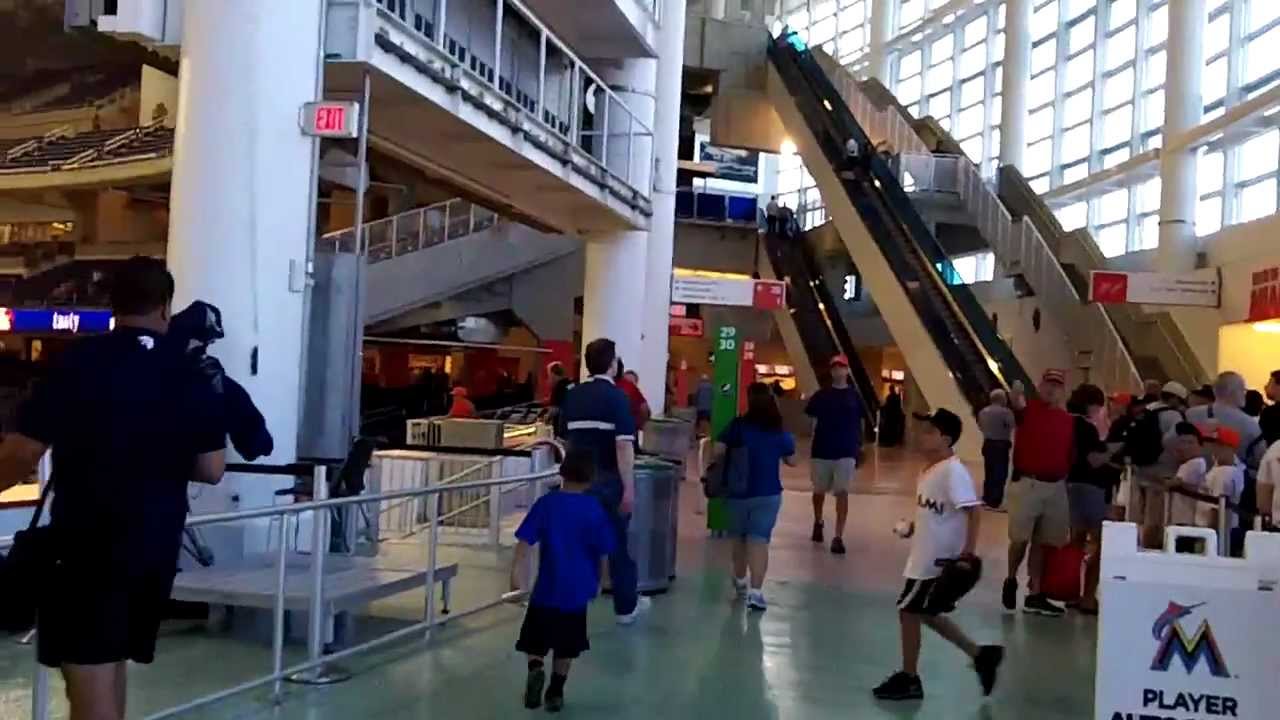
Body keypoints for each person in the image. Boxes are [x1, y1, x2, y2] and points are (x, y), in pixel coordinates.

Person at [0, 257, 227, 720]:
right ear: (165, 307)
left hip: (87, 547)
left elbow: (23, 452)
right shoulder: (191, 371)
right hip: (157, 548)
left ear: (111, 304)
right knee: (113, 661)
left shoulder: (78, 361)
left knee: (89, 671)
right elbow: (211, 468)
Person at [872, 408, 1003, 701]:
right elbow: (940, 512)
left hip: (934, 560)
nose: (922, 436)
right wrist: (914, 527)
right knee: (924, 612)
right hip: (924, 554)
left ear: (946, 439)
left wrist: (967, 554)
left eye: (929, 432)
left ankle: (910, 678)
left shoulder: (952, 472)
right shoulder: (931, 470)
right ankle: (980, 655)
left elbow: (973, 510)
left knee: (908, 611)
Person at [510, 450, 615, 713]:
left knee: (535, 639)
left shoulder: (547, 504)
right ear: (590, 478)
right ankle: (555, 691)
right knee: (567, 645)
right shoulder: (595, 509)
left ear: (562, 472)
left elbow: (524, 543)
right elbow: (603, 551)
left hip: (547, 588)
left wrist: (516, 575)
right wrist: (603, 580)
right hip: (577, 592)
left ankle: (536, 668)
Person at [558, 338, 649, 625]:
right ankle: (626, 607)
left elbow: (565, 440)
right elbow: (623, 445)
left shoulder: (573, 396)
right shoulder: (617, 398)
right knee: (617, 545)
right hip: (608, 481)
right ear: (612, 364)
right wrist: (629, 488)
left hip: (577, 482)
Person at [716, 382, 797, 611]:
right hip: (768, 493)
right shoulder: (778, 431)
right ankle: (756, 592)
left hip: (737, 492)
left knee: (739, 539)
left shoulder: (737, 427)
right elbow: (792, 460)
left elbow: (718, 450)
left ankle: (740, 580)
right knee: (759, 540)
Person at [1004, 370, 1073, 617]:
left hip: (1055, 486)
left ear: (1062, 391)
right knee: (1020, 539)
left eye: (1057, 386)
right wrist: (1016, 392)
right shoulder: (1028, 410)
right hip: (1028, 483)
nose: (1051, 389)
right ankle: (1011, 577)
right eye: (1048, 384)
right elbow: (1016, 404)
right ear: (1040, 386)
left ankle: (1035, 592)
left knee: (1043, 543)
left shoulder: (1067, 420)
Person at [805, 354, 865, 555]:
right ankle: (818, 520)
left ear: (847, 371)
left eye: (841, 367)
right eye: (835, 368)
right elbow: (812, 421)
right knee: (819, 490)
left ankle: (838, 536)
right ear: (831, 372)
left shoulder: (854, 396)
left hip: (846, 450)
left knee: (842, 491)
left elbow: (860, 422)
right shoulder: (821, 396)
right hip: (822, 449)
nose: (838, 371)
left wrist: (859, 446)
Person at [1065, 384, 1111, 615]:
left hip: (1069, 484)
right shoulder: (1086, 428)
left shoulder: (1065, 423)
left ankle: (1071, 592)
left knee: (1076, 541)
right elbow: (1094, 460)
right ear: (1092, 405)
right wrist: (1114, 450)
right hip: (1090, 487)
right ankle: (1088, 597)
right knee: (1100, 542)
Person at [1129, 382, 1188, 548]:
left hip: (1140, 468)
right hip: (1162, 471)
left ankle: (1135, 544)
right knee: (1154, 516)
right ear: (1175, 399)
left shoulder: (1147, 410)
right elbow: (1171, 440)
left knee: (1138, 513)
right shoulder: (1173, 415)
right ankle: (1149, 548)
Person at [1196, 425, 1244, 539]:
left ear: (1231, 448)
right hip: (1219, 530)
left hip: (1216, 532)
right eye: (1214, 444)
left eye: (1220, 445)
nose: (1214, 449)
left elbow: (1217, 510)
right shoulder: (1225, 468)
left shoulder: (1225, 472)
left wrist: (1212, 537)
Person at [978, 388, 1015, 509]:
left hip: (987, 444)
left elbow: (981, 426)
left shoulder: (983, 411)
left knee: (989, 472)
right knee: (1000, 473)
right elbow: (1012, 425)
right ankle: (995, 501)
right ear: (1002, 399)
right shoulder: (1006, 412)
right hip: (1001, 445)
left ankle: (986, 498)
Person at [617, 363, 651, 431]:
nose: (628, 385)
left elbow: (645, 409)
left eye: (631, 383)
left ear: (636, 384)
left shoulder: (636, 394)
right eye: (626, 381)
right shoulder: (616, 390)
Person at [546, 361, 573, 433]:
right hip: (571, 428)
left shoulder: (558, 388)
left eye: (549, 375)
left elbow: (554, 411)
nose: (549, 378)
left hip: (560, 428)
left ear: (553, 374)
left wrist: (545, 418)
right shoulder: (571, 384)